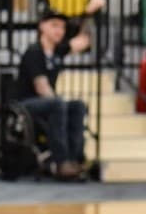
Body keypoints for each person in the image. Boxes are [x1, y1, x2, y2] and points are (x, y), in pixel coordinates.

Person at [14, 11, 92, 180]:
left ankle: (75, 159)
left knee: (77, 105)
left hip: (48, 103)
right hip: (26, 104)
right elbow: (41, 87)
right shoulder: (34, 51)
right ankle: (61, 162)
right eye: (54, 25)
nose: (59, 30)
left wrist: (89, 13)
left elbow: (82, 41)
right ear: (42, 26)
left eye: (62, 27)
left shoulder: (57, 51)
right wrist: (59, 102)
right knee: (58, 104)